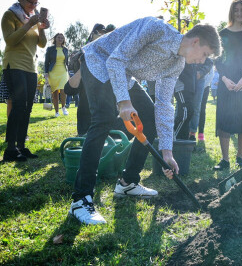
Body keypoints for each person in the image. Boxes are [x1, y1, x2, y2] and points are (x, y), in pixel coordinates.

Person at [68, 17, 221, 225]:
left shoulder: (176, 64)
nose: (203, 61)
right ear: (195, 41)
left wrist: (167, 152)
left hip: (123, 72)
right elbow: (116, 60)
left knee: (148, 116)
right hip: (99, 60)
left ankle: (127, 182)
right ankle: (81, 199)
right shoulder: (155, 28)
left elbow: (164, 106)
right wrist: (123, 101)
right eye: (205, 54)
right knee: (103, 119)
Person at [2, 0, 48, 161]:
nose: (33, 6)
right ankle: (11, 149)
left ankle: (21, 146)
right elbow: (10, 40)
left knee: (27, 108)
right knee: (19, 104)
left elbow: (42, 44)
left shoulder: (33, 20)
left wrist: (41, 27)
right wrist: (29, 24)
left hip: (31, 68)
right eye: (30, 2)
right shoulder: (10, 15)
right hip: (13, 65)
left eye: (36, 3)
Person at [213, 0, 242, 170]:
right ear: (231, 12)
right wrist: (224, 79)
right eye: (235, 10)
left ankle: (240, 156)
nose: (239, 13)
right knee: (224, 118)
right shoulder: (223, 32)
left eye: (241, 10)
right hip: (227, 79)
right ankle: (225, 160)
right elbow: (217, 59)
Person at [64, 24, 108, 136]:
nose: (102, 35)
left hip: (107, 110)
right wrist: (84, 66)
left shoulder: (109, 56)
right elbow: (69, 90)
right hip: (87, 113)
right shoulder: (83, 55)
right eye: (99, 32)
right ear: (93, 34)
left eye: (104, 33)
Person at [44, 33, 70, 117]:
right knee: (55, 92)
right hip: (53, 72)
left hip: (63, 71)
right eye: (58, 37)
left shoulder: (65, 49)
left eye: (62, 38)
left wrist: (68, 73)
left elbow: (67, 62)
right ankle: (56, 111)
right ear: (55, 39)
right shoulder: (50, 49)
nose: (60, 39)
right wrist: (46, 73)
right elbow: (46, 62)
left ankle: (63, 107)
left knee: (63, 90)